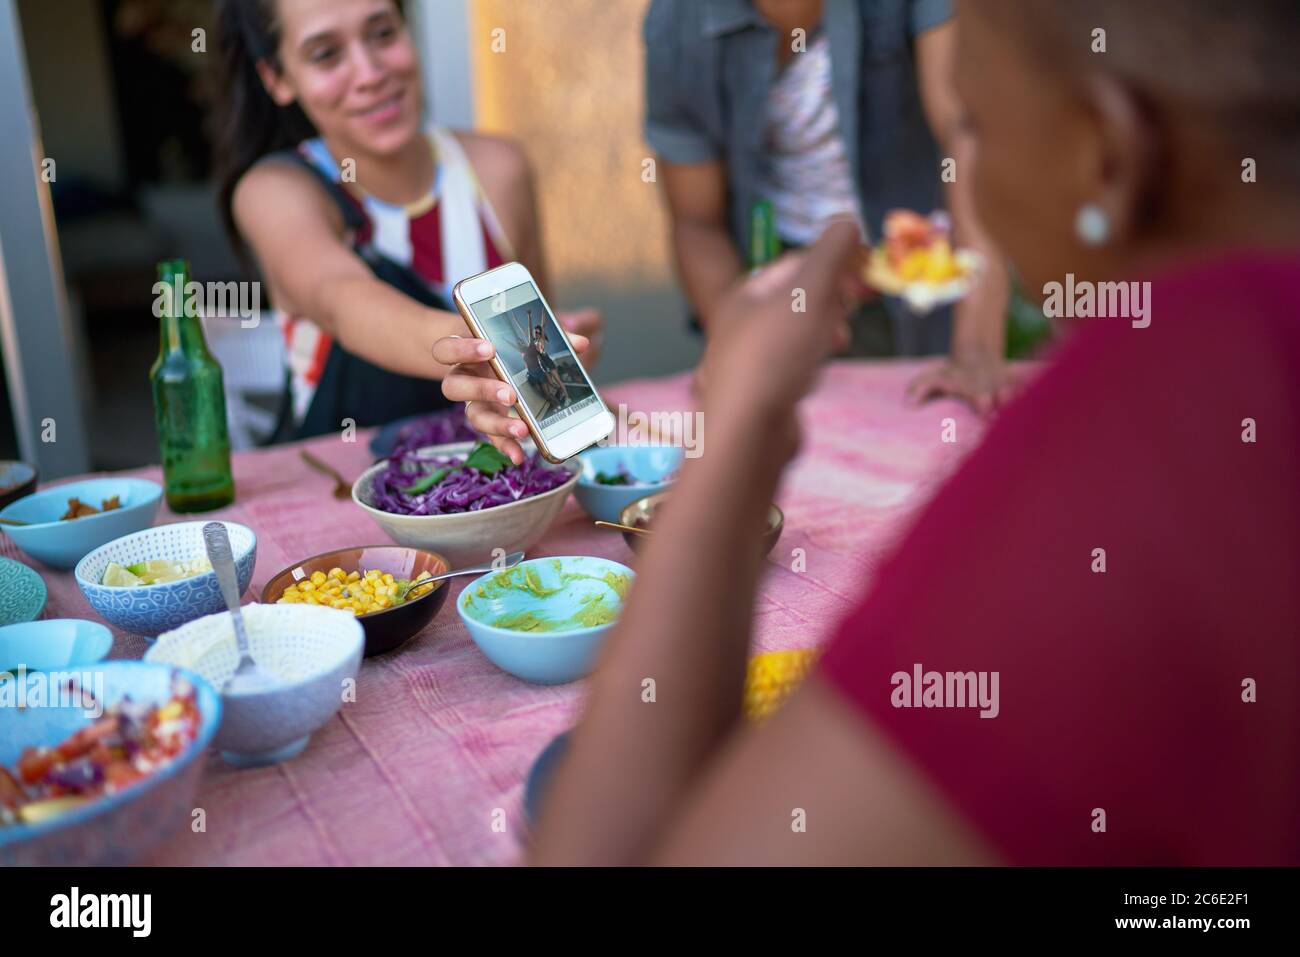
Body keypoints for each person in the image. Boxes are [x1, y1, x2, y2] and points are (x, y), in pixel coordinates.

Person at [446, 0, 1300, 864]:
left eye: (971, 123)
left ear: (1104, 157)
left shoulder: (1134, 424)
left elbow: (611, 850)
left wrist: (740, 426)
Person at [212, 0, 601, 439]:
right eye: (327, 54)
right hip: (345, 484)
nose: (370, 72)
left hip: (501, 475)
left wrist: (557, 352)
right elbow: (342, 301)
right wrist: (491, 349)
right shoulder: (273, 192)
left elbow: (540, 336)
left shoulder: (499, 169)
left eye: (382, 34)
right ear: (277, 78)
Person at [642, 0, 1019, 413]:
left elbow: (964, 130)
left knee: (930, 427)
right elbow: (697, 223)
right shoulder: (677, 24)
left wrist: (977, 347)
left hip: (920, 283)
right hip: (778, 292)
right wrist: (736, 339)